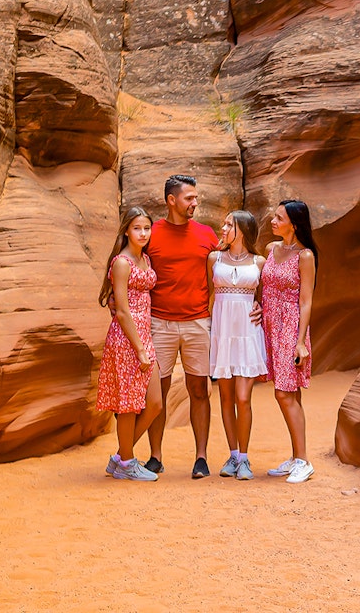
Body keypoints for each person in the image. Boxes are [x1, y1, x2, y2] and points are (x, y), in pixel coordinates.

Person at [146, 175, 221, 479]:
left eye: (196, 198)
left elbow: (224, 275)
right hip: (159, 323)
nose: (195, 203)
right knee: (159, 391)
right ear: (171, 200)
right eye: (189, 198)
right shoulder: (150, 234)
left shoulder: (207, 234)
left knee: (199, 390)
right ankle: (155, 456)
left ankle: (201, 457)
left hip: (197, 322)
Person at [96, 207, 163, 481]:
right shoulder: (122, 262)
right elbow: (122, 310)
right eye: (137, 228)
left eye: (147, 228)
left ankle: (121, 457)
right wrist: (139, 348)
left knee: (155, 403)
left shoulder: (144, 258)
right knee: (128, 404)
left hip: (143, 336)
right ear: (126, 230)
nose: (143, 233)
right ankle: (127, 461)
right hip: (127, 339)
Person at [206, 211, 269, 481]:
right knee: (225, 397)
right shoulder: (214, 258)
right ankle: (232, 455)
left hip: (247, 333)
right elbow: (209, 295)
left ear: (242, 230)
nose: (223, 228)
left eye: (229, 224)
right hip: (222, 332)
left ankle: (244, 458)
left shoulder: (260, 262)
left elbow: (267, 297)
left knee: (243, 398)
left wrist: (261, 308)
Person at [260, 199, 318, 484]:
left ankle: (304, 461)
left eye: (278, 217)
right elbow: (266, 287)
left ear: (294, 225)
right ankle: (297, 457)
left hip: (291, 326)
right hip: (270, 324)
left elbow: (306, 301)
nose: (272, 220)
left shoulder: (305, 256)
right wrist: (261, 306)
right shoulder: (272, 249)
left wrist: (300, 342)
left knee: (283, 393)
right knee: (291, 394)